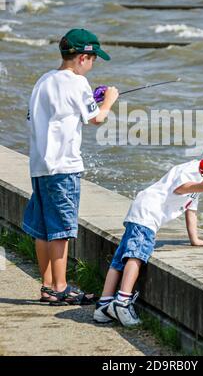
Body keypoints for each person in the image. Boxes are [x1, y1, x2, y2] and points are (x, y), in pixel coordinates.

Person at [94, 133, 203, 326]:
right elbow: (181, 188)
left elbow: (191, 209)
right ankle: (122, 301)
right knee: (136, 255)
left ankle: (103, 306)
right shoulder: (195, 169)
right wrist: (201, 186)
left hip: (142, 210)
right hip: (148, 213)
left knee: (120, 259)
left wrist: (195, 239)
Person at [23, 28, 119, 305]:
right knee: (62, 230)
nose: (92, 65)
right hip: (64, 166)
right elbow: (96, 119)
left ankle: (47, 286)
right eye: (93, 59)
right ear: (82, 57)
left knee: (43, 229)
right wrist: (109, 100)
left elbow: (44, 116)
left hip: (40, 165)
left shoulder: (44, 80)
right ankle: (61, 287)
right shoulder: (77, 83)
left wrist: (91, 102)